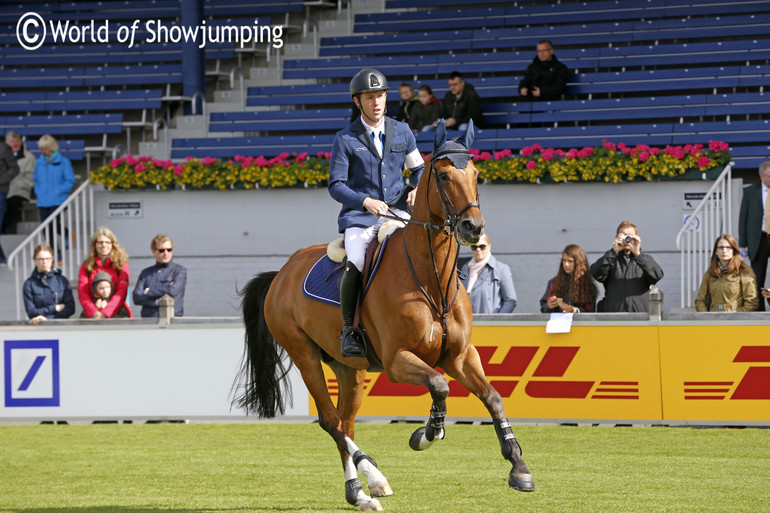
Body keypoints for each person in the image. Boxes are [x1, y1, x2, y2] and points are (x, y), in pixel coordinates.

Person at [328, 68, 425, 358]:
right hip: (361, 217)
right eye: (369, 97)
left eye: (380, 95)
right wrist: (365, 201)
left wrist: (417, 188)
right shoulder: (345, 139)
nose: (376, 102)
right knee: (356, 258)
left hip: (397, 211)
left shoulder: (402, 131)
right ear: (358, 102)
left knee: (424, 243)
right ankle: (349, 330)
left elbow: (418, 167)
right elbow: (336, 186)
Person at [590, 221, 664, 312]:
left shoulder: (644, 259)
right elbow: (595, 273)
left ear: (637, 238)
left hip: (640, 317)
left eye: (630, 236)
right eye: (624, 236)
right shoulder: (611, 259)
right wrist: (614, 251)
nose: (627, 240)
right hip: (615, 318)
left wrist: (638, 255)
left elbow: (657, 275)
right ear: (617, 238)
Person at [34, 134, 75, 256]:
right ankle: (53, 250)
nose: (43, 151)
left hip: (58, 199)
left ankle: (58, 249)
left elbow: (70, 180)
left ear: (52, 147)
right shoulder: (39, 162)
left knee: (52, 225)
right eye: (42, 148)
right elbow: (36, 179)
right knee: (45, 227)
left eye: (46, 148)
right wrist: (38, 191)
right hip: (43, 199)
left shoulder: (63, 162)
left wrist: (59, 190)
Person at [78, 227, 132, 319]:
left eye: (107, 242)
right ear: (94, 245)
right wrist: (94, 312)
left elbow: (121, 291)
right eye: (100, 242)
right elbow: (82, 292)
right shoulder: (86, 265)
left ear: (112, 244)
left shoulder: (121, 264)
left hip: (117, 312)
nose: (104, 245)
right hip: (93, 314)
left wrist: (106, 313)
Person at [695, 234, 758, 312]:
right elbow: (700, 301)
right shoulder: (710, 272)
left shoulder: (744, 271)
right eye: (721, 247)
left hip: (734, 320)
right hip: (713, 319)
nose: (724, 251)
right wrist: (706, 317)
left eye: (728, 247)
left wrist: (738, 316)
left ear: (734, 251)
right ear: (716, 251)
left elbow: (752, 302)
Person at [738, 161, 770, 311]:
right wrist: (743, 243)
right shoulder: (750, 192)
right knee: (757, 278)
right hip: (758, 240)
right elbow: (743, 217)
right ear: (761, 176)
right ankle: (759, 310)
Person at [133, 233, 187, 318]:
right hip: (149, 320)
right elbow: (137, 298)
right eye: (161, 250)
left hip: (171, 319)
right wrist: (156, 302)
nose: (166, 253)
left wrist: (148, 292)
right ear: (154, 251)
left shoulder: (179, 271)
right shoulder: (146, 273)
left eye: (169, 249)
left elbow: (172, 291)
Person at [460, 234, 517, 313]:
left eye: (482, 246)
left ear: (489, 246)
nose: (478, 250)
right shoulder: (465, 268)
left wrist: (498, 321)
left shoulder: (501, 269)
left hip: (488, 323)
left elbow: (510, 300)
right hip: (467, 322)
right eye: (474, 247)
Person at [23, 243, 75, 325]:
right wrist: (54, 308)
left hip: (61, 326)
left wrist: (48, 319)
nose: (44, 262)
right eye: (41, 259)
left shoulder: (62, 281)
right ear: (34, 260)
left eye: (47, 258)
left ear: (52, 259)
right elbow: (31, 311)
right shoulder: (29, 284)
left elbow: (70, 308)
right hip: (39, 327)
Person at [540, 244, 598, 314]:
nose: (566, 264)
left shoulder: (588, 286)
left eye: (570, 261)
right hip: (558, 323)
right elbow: (543, 308)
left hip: (578, 324)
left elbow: (591, 313)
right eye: (564, 260)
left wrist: (575, 310)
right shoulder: (553, 283)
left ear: (578, 262)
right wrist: (548, 306)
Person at [2, 131, 34, 236]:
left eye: (17, 141)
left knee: (12, 203)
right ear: (7, 143)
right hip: (3, 189)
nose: (15, 144)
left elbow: (31, 178)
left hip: (20, 191)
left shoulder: (29, 158)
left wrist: (16, 185)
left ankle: (6, 232)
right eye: (12, 141)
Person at [0, 136, 20, 264]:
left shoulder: (3, 148)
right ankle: (1, 257)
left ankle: (1, 258)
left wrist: (1, 181)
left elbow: (14, 168)